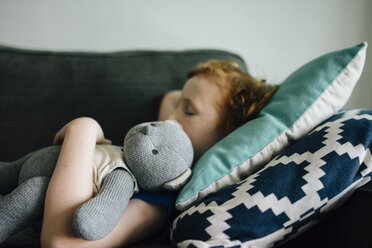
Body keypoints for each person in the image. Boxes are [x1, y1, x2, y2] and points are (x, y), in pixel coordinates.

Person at [40, 60, 278, 248]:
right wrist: (195, 95)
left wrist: (82, 130)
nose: (168, 119)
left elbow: (62, 242)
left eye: (189, 111)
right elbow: (171, 97)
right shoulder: (169, 137)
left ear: (226, 139)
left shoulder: (159, 201)